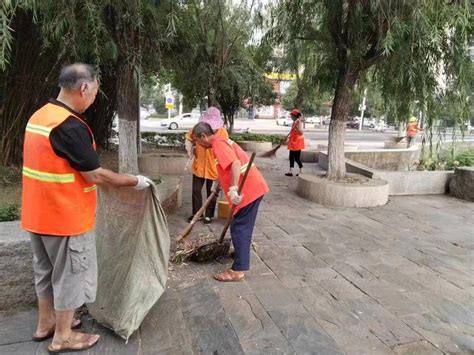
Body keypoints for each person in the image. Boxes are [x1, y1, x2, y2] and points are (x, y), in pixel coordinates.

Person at [21, 63, 152, 353]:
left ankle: (47, 324)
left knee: (45, 271)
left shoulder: (40, 116)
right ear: (84, 88)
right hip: (65, 218)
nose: (93, 98)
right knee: (70, 276)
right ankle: (64, 336)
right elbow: (95, 175)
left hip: (36, 214)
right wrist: (134, 181)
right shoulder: (69, 126)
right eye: (94, 91)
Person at [192, 122, 269, 282]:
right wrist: (218, 182)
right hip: (253, 187)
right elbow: (225, 166)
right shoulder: (220, 141)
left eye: (196, 141)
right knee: (242, 226)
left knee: (239, 227)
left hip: (248, 190)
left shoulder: (218, 144)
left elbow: (234, 163)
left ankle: (238, 270)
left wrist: (233, 188)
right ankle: (241, 255)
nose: (196, 144)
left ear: (203, 136)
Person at [185, 107, 228, 224]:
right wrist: (189, 150)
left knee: (212, 192)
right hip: (199, 165)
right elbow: (189, 138)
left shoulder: (222, 132)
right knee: (196, 190)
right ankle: (197, 213)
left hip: (214, 167)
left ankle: (209, 215)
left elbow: (224, 151)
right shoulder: (197, 128)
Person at [285, 108, 305, 176]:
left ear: (294, 116)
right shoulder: (295, 122)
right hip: (293, 143)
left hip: (297, 143)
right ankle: (291, 171)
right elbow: (293, 132)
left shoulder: (298, 122)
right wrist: (288, 137)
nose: (291, 117)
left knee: (296, 158)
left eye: (291, 116)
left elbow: (301, 133)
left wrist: (296, 128)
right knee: (291, 157)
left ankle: (301, 169)